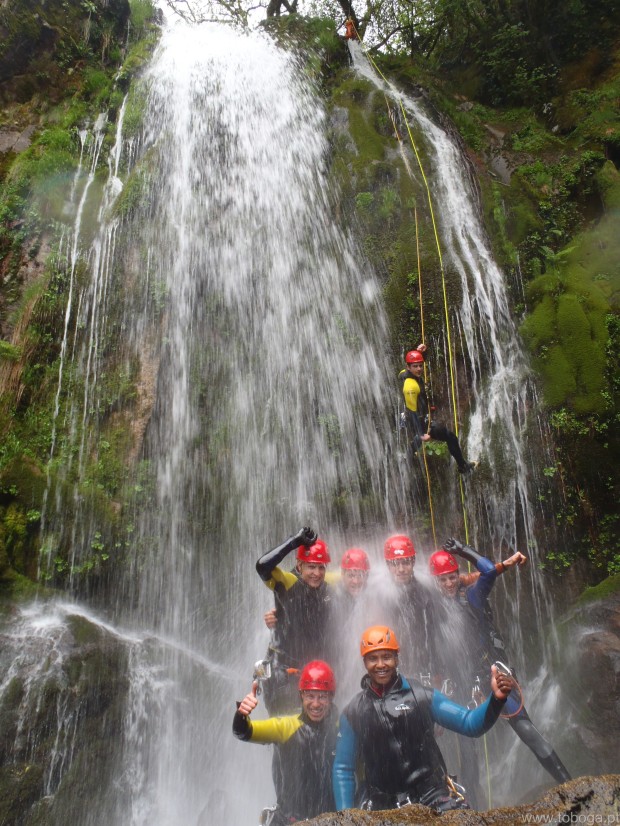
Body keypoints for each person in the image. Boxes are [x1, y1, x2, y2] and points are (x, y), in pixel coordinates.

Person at [429, 539, 571, 790]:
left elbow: (487, 571)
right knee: (466, 747)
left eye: (453, 577)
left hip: (489, 672)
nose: (449, 584)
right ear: (434, 582)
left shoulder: (471, 596)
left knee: (525, 727)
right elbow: (435, 656)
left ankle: (569, 785)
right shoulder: (432, 610)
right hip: (461, 680)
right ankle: (472, 808)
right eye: (443, 580)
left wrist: (463, 550)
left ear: (458, 576)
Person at [332, 625, 513, 812]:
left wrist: (496, 699)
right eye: (373, 659)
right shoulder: (354, 712)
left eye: (386, 657)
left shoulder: (423, 697)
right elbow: (343, 769)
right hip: (381, 803)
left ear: (396, 658)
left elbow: (469, 723)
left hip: (431, 795)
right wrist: (345, 816)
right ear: (365, 662)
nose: (380, 665)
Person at [233, 660, 338, 825]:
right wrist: (242, 714)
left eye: (322, 696)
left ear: (331, 697)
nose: (316, 704)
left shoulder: (342, 730)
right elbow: (244, 732)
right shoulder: (285, 727)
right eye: (310, 696)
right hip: (289, 821)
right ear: (301, 695)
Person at [256, 526, 335, 714]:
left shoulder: (328, 591)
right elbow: (262, 566)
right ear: (299, 565)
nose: (316, 573)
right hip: (282, 672)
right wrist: (294, 542)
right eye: (311, 567)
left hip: (313, 674)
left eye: (321, 567)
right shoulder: (288, 582)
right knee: (287, 731)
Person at [400, 346, 476, 474]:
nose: (419, 369)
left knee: (419, 439)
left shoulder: (404, 373)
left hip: (416, 418)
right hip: (417, 420)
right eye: (415, 366)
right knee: (450, 437)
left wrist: (421, 352)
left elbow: (414, 361)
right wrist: (421, 433)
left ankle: (407, 457)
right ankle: (463, 466)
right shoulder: (410, 386)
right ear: (408, 367)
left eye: (420, 365)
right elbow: (412, 411)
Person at [376, 533, 435, 679]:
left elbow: (434, 634)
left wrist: (436, 670)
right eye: (396, 563)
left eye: (406, 562)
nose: (401, 569)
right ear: (388, 565)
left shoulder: (425, 592)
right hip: (389, 666)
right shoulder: (378, 595)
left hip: (422, 664)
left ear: (413, 562)